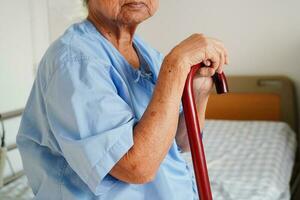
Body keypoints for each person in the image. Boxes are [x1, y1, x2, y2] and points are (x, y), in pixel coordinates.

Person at [17, 0, 229, 199]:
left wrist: (198, 91)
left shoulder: (147, 54)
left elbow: (180, 142)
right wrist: (175, 66)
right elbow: (136, 168)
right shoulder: (74, 62)